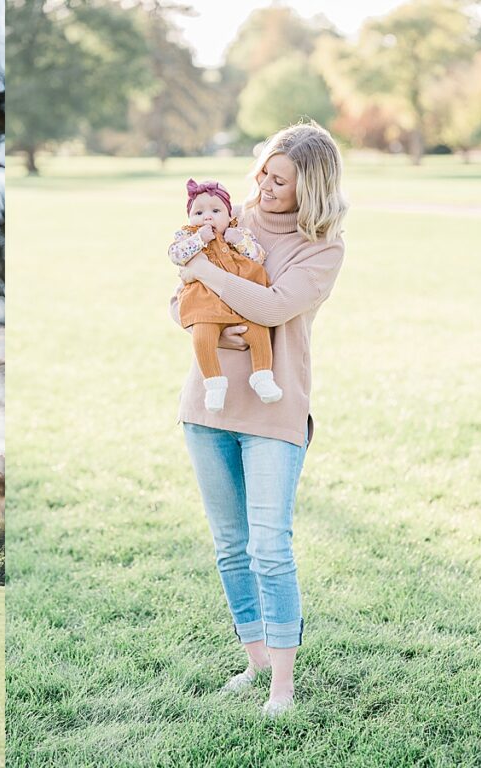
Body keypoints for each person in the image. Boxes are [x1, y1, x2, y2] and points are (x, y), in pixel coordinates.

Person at [170, 121, 348, 717]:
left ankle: (283, 686)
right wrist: (211, 305)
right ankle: (256, 660)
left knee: (270, 548)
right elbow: (177, 304)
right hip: (208, 405)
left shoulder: (322, 248)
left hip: (276, 410)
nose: (264, 187)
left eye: (280, 181)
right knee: (230, 546)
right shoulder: (227, 216)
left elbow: (273, 306)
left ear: (311, 189)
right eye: (264, 174)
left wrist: (207, 277)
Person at [169, 178, 283, 413]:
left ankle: (262, 376)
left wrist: (240, 242)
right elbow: (176, 255)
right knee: (203, 336)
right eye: (198, 212)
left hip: (240, 300)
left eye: (215, 210)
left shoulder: (239, 234)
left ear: (229, 214)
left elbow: (258, 257)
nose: (207, 217)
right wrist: (199, 239)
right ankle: (214, 384)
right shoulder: (187, 235)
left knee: (258, 332)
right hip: (205, 302)